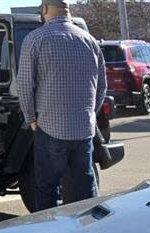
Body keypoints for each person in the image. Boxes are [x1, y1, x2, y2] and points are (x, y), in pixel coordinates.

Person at [18, 0, 107, 211]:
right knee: (85, 188)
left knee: (46, 188)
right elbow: (102, 86)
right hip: (83, 129)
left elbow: (24, 86)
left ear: (45, 9)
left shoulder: (35, 39)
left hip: (49, 128)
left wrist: (31, 119)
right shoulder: (90, 40)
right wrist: (89, 114)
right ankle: (87, 232)